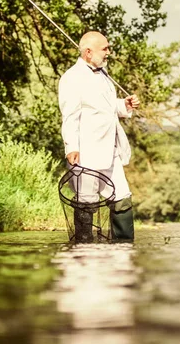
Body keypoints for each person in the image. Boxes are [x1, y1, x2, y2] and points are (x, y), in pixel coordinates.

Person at [59, 31, 140, 242]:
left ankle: (123, 250)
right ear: (88, 52)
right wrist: (71, 147)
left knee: (122, 198)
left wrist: (125, 105)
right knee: (86, 202)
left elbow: (108, 107)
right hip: (86, 152)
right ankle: (83, 252)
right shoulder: (71, 78)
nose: (108, 53)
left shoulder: (104, 75)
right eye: (105, 49)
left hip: (110, 150)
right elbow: (69, 116)